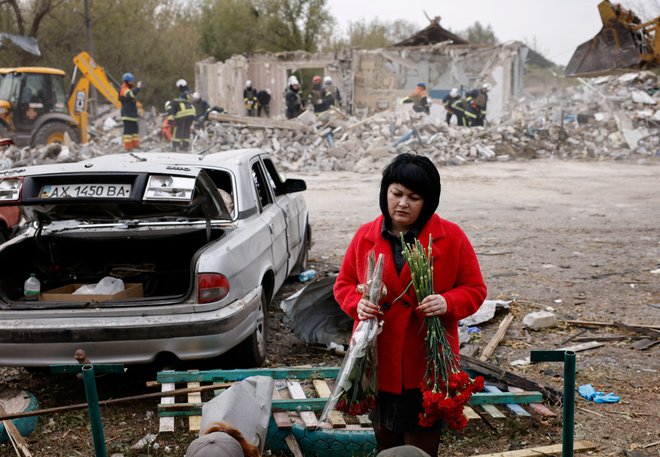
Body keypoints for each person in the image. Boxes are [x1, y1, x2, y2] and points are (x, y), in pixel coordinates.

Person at [334, 153, 487, 456]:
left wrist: (446, 301)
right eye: (397, 193)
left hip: (426, 364)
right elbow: (343, 285)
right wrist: (358, 304)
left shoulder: (451, 237)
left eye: (414, 197)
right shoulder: (365, 236)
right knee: (386, 445)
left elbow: (475, 289)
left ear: (428, 202)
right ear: (385, 193)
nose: (403, 203)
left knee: (420, 449)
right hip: (378, 361)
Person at [119, 72, 143, 151]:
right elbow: (130, 94)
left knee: (135, 131)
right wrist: (138, 88)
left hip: (132, 115)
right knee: (128, 132)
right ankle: (128, 147)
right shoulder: (124, 89)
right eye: (131, 81)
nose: (132, 83)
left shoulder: (127, 89)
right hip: (127, 114)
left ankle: (135, 145)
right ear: (126, 81)